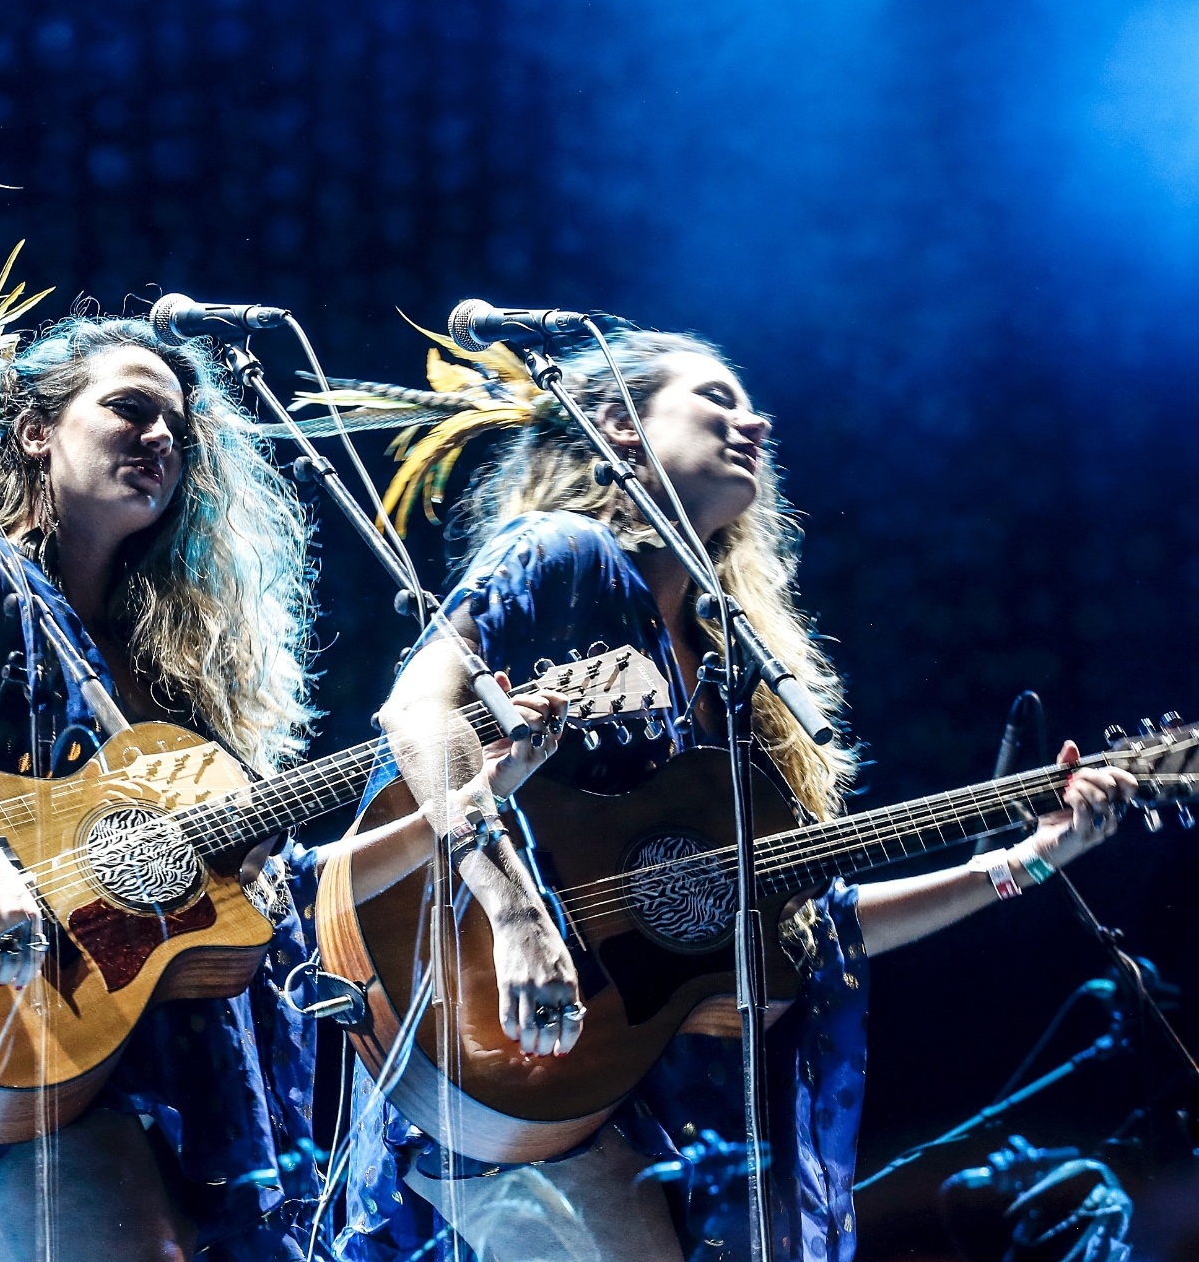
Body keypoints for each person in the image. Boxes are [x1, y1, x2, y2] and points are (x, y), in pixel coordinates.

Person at [332, 328, 1153, 1262]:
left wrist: (1022, 860)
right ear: (617, 427)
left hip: (646, 1085)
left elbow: (807, 920)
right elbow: (415, 708)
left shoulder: (730, 668)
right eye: (715, 398)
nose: (753, 420)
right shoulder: (564, 554)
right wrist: (515, 910)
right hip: (512, 1049)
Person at [0, 314, 573, 1262]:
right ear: (35, 430)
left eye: (180, 427)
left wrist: (476, 791)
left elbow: (290, 889)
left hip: (166, 1056)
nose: (162, 438)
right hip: (6, 1024)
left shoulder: (174, 678)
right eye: (130, 409)